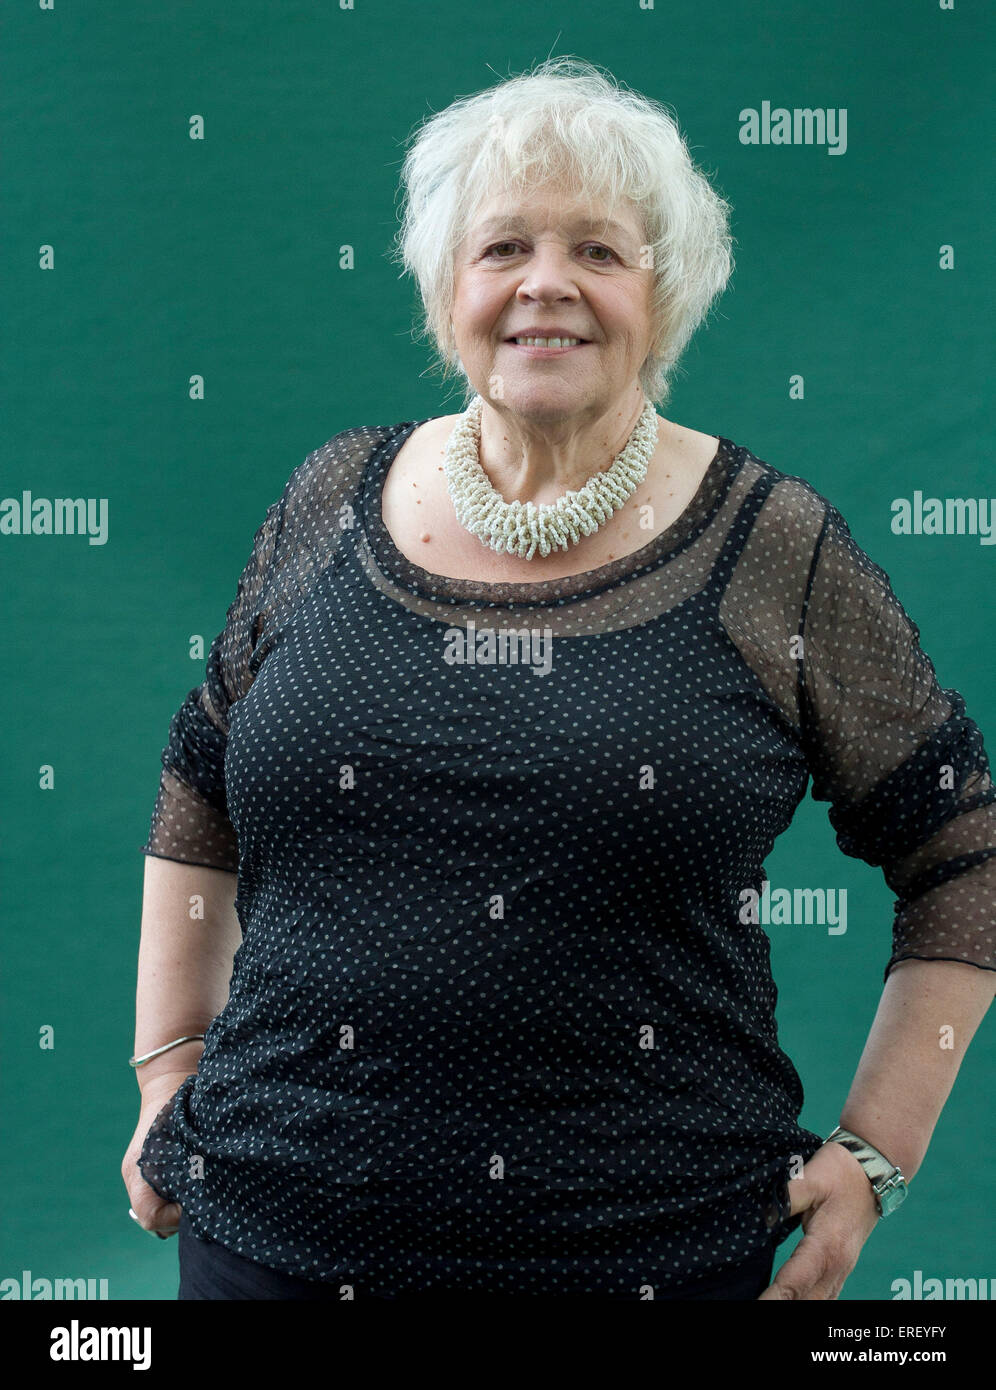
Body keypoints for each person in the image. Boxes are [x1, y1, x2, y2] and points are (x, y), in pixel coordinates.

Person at [121, 56, 996, 1301]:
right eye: (503, 249)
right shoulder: (330, 499)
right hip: (268, 1242)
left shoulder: (775, 549)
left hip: (647, 1261)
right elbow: (201, 771)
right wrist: (168, 1066)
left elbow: (965, 850)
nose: (547, 283)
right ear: (446, 294)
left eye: (599, 249)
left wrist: (877, 1152)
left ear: (664, 294)